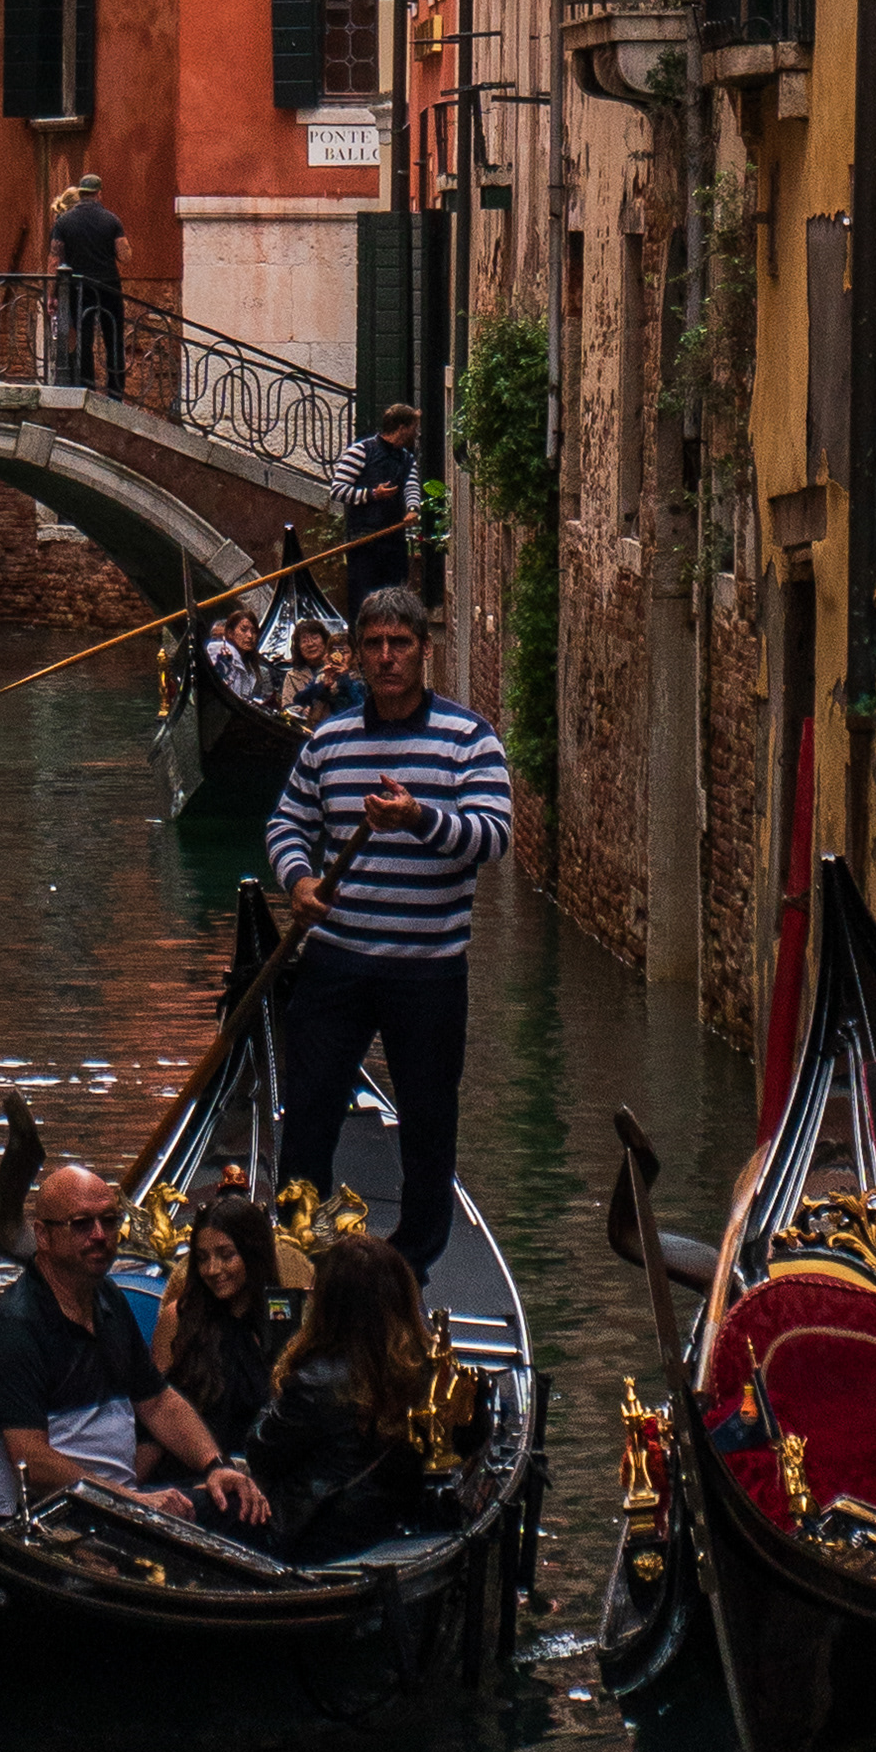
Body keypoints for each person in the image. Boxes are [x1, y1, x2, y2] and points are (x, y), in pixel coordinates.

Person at [267, 581, 511, 1274]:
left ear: (422, 650)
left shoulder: (468, 740)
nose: (386, 657)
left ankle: (412, 1262)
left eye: (399, 643)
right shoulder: (329, 741)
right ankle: (298, 1248)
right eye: (373, 644)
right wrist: (300, 881)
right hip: (336, 960)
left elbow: (493, 838)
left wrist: (419, 818)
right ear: (358, 654)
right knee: (309, 1109)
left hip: (428, 969)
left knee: (428, 1120)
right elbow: (287, 823)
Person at [0, 1162, 269, 1531]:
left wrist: (216, 1466)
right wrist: (130, 1502)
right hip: (32, 1520)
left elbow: (158, 1402)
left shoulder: (108, 1300)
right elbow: (32, 1461)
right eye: (81, 1224)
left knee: (242, 1501)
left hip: (111, 1507)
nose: (100, 1235)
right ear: (42, 1235)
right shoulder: (10, 1329)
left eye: (109, 1220)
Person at [251, 1229, 439, 1556]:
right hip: (394, 1527)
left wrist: (279, 1386)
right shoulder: (428, 1368)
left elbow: (261, 1453)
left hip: (312, 1538)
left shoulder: (312, 1380)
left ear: (328, 1304)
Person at [149, 1190, 284, 1473]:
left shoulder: (281, 1317)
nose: (212, 1269)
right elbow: (153, 1414)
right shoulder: (178, 1318)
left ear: (253, 1254)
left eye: (226, 1255)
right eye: (202, 1258)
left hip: (262, 1471)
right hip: (191, 1471)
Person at [333, 400, 420, 619]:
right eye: (414, 428)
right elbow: (338, 490)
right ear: (402, 428)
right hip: (363, 541)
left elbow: (411, 486)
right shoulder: (361, 451)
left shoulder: (407, 459)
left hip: (393, 541)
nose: (416, 433)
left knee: (395, 602)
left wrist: (413, 509)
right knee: (363, 601)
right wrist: (372, 494)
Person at [50, 172, 126, 398]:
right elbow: (125, 256)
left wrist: (52, 294)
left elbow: (54, 261)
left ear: (81, 193)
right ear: (99, 193)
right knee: (114, 339)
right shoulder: (112, 220)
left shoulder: (64, 222)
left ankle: (87, 387)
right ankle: (116, 392)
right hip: (109, 287)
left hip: (79, 287)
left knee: (84, 339)